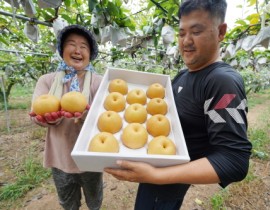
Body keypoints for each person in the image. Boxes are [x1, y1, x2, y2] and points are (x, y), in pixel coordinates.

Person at [104, 0, 252, 209]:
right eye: (182, 34)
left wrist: (157, 175)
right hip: (154, 173)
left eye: (196, 31)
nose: (186, 41)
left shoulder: (222, 82)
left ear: (221, 32)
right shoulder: (183, 75)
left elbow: (234, 160)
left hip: (167, 185)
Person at [30, 25, 103, 210]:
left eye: (84, 47)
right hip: (60, 157)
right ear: (62, 50)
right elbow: (36, 112)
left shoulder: (99, 82)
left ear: (90, 54)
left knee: (94, 201)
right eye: (72, 44)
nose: (78, 50)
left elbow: (105, 116)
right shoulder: (47, 80)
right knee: (68, 203)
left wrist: (88, 114)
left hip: (90, 157)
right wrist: (47, 118)